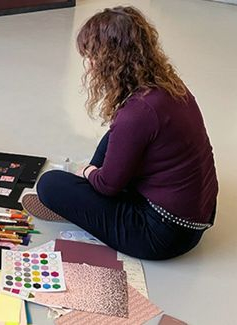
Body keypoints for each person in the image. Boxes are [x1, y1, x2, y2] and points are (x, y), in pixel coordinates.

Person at [22, 6, 218, 260]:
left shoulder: (137, 113)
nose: (90, 65)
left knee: (50, 184)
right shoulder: (168, 86)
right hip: (198, 215)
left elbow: (107, 186)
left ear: (111, 61)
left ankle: (78, 199)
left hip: (162, 235)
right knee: (112, 135)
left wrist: (88, 172)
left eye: (92, 56)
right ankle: (83, 194)